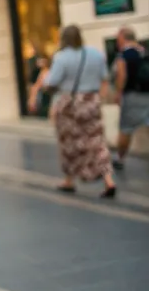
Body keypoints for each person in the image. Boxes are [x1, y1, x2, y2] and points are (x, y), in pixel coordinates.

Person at [40, 25, 117, 198]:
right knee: (97, 141)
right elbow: (104, 78)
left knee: (69, 142)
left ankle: (69, 180)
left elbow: (51, 82)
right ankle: (108, 180)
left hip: (70, 103)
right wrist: (99, 98)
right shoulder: (96, 54)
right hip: (92, 100)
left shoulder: (61, 57)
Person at [112, 27, 149, 169]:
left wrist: (118, 93)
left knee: (126, 128)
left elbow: (122, 75)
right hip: (147, 93)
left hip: (132, 95)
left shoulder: (125, 54)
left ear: (122, 38)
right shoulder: (144, 51)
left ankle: (120, 159)